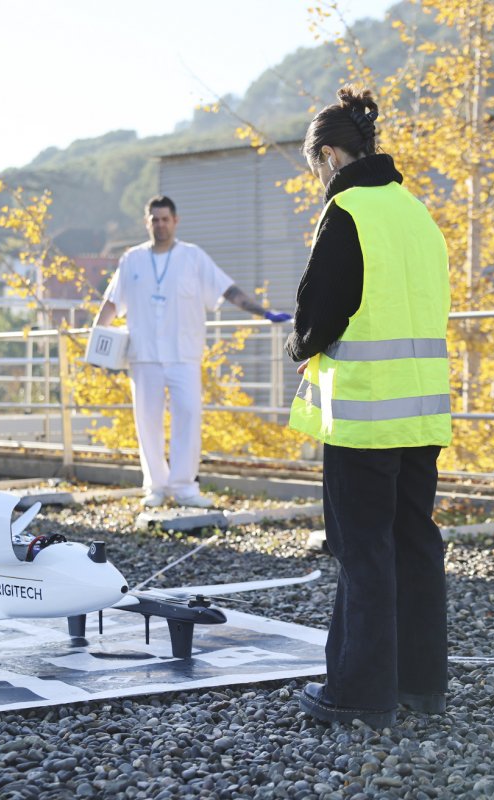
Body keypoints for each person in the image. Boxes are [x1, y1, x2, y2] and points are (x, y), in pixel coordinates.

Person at [285, 86, 452, 728]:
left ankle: (359, 693)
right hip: (422, 413)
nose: (317, 181)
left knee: (362, 549)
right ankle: (421, 685)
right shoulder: (417, 213)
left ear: (329, 155)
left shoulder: (347, 212)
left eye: (314, 168)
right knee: (414, 540)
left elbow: (318, 310)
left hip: (364, 416)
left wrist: (303, 344)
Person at [93, 195, 291, 508]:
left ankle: (184, 487)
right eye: (154, 219)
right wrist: (96, 342)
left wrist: (262, 312)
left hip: (183, 354)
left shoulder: (192, 257)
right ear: (148, 222)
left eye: (165, 219)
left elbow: (227, 289)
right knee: (148, 422)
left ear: (175, 221)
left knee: (187, 415)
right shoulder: (132, 259)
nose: (160, 225)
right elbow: (113, 302)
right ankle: (156, 487)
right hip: (144, 355)